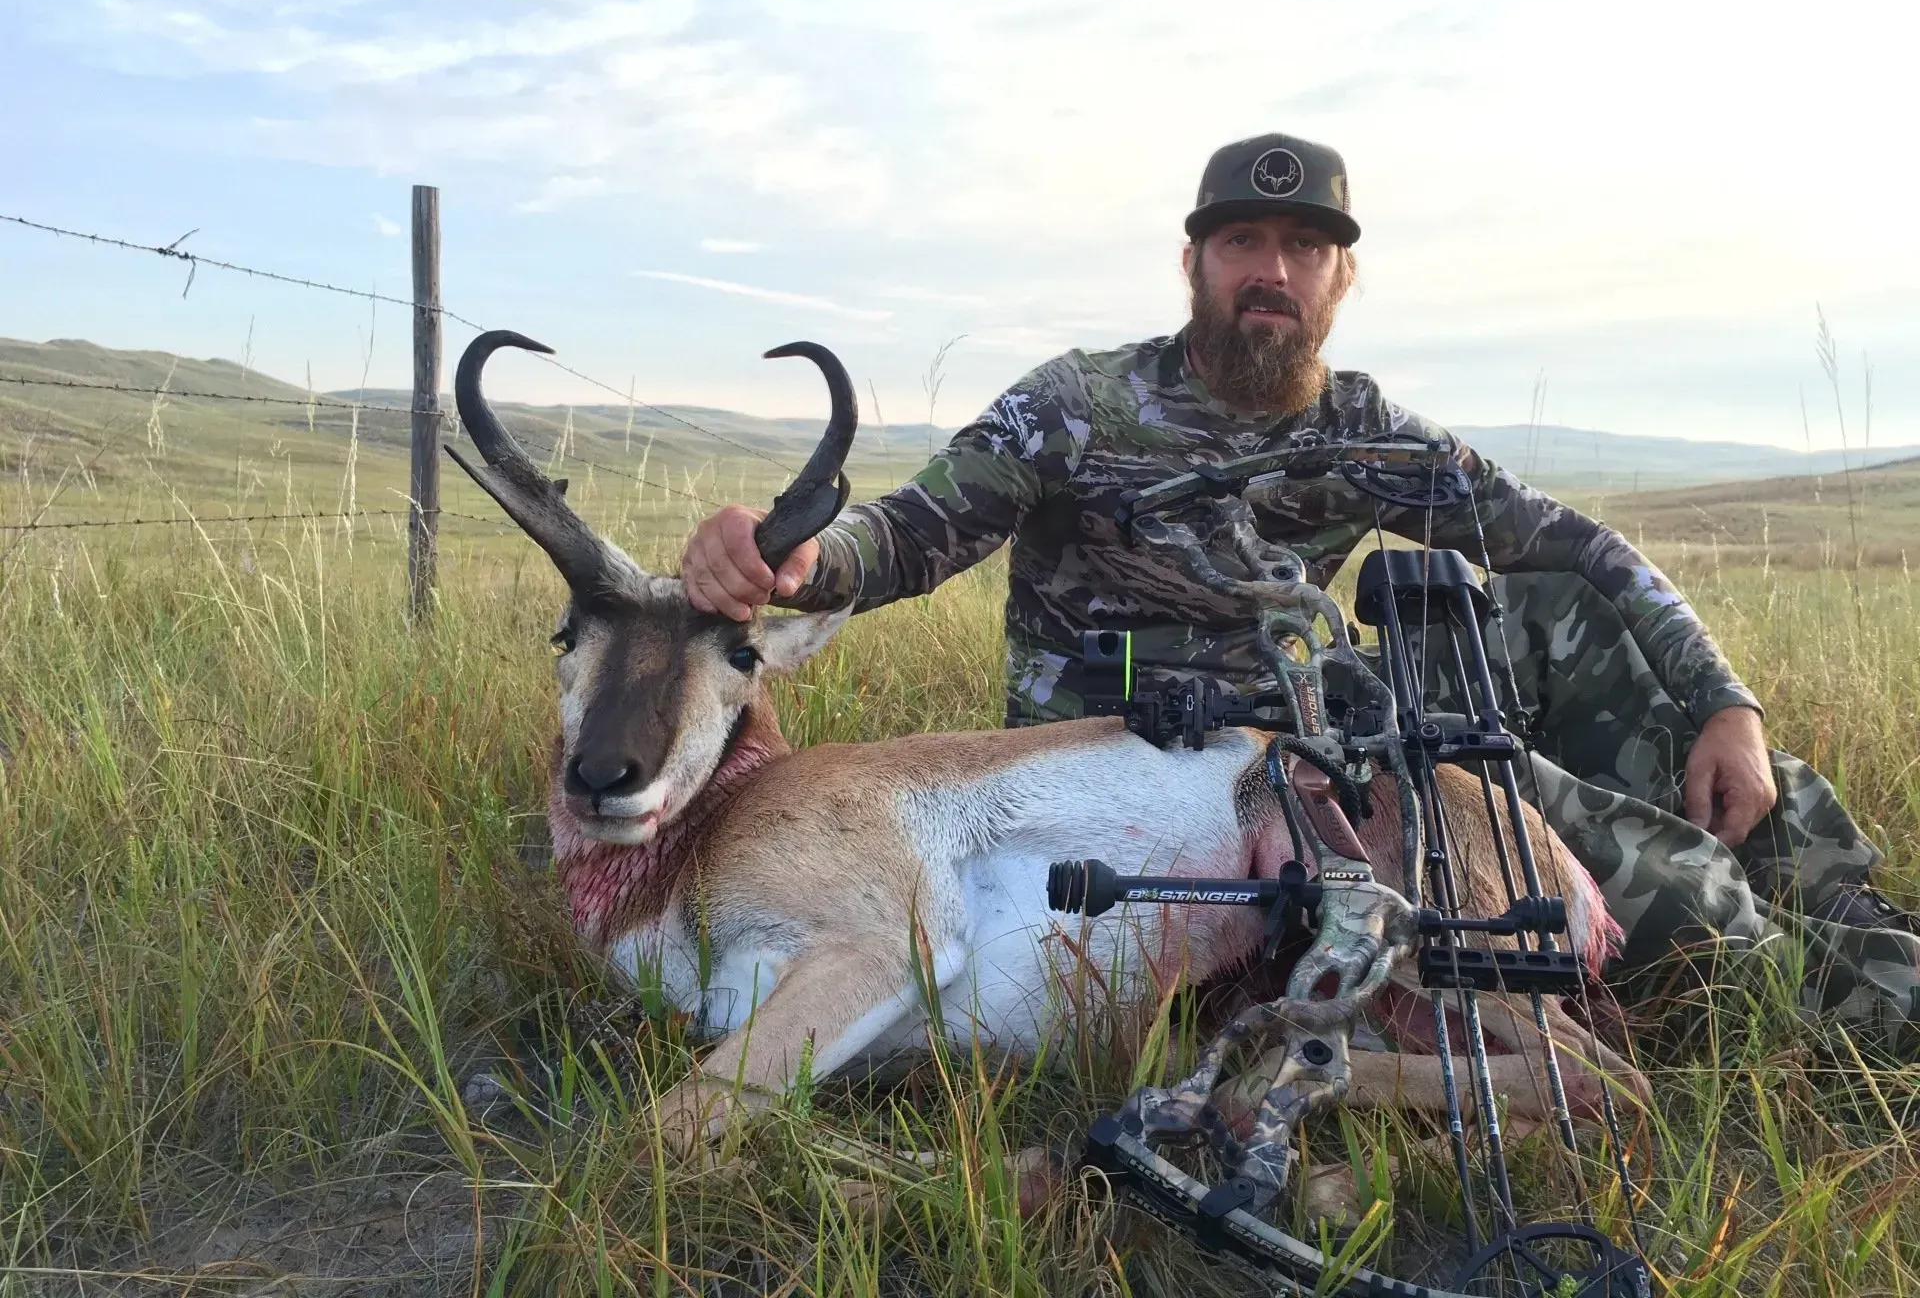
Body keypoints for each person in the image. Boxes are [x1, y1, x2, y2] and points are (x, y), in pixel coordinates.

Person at [681, 132, 1920, 1050]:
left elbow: (1579, 544)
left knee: (1569, 620)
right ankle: (1827, 985)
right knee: (1558, 827)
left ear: (1339, 279)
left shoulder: (1367, 431)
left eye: (1302, 247)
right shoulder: (1077, 404)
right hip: (1150, 773)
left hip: (1315, 719)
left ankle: (1825, 880)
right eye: (1241, 244)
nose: (1269, 269)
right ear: (1195, 262)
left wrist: (1728, 701)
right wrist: (799, 560)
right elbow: (907, 535)